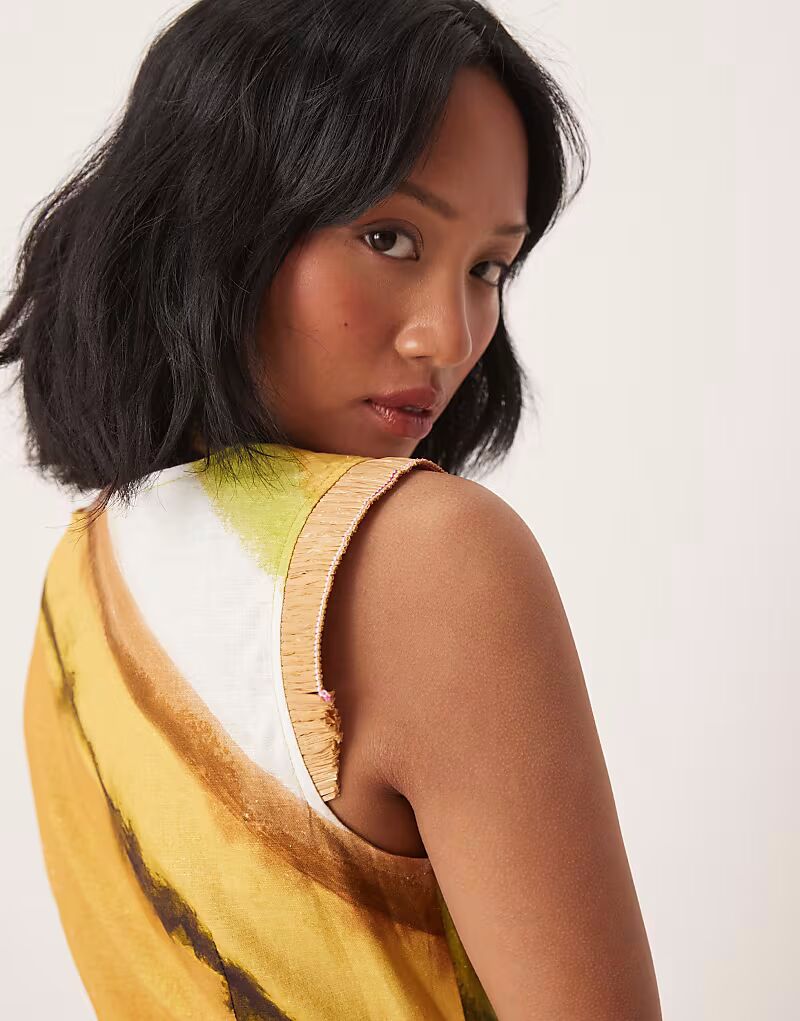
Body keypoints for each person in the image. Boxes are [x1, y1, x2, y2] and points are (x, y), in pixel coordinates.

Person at [1, 0, 663, 1018]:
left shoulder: (82, 577)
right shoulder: (430, 553)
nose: (449, 337)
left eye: (487, 267)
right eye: (389, 237)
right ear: (218, 217)